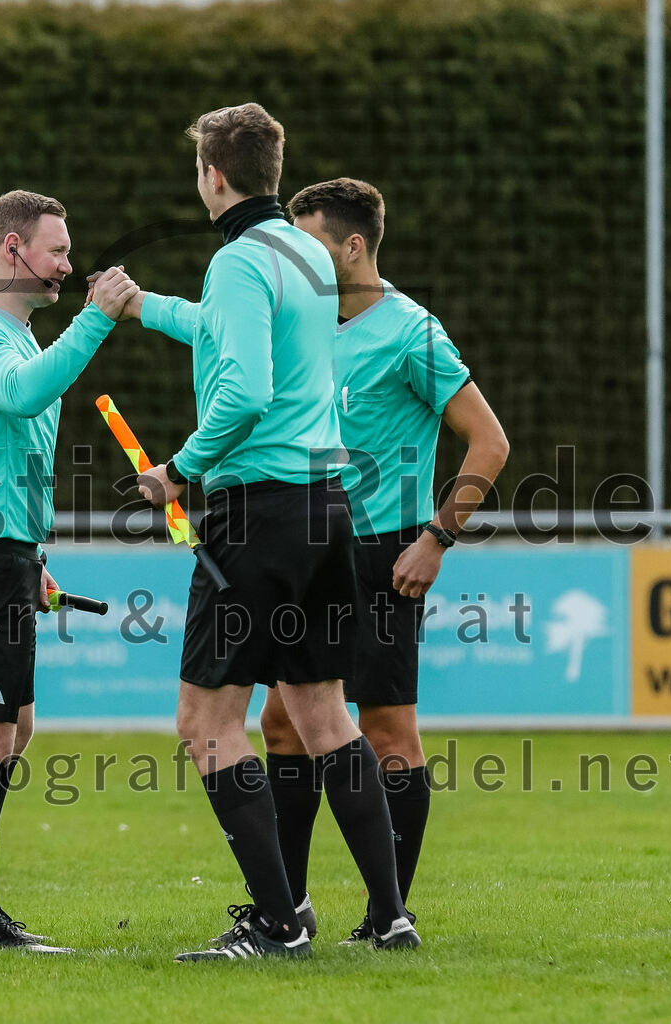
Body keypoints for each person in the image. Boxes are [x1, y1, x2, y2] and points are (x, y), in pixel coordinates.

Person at [129, 104, 419, 960]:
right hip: (326, 505)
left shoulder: (238, 259)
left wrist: (178, 468)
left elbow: (246, 389)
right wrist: (145, 307)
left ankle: (277, 921)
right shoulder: (305, 253)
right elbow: (234, 336)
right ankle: (390, 916)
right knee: (325, 715)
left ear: (212, 175)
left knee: (204, 720)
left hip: (257, 510)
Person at [254, 177, 509, 942]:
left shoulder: (411, 331)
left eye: (309, 244)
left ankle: (385, 915)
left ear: (352, 246)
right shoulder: (304, 326)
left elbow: (489, 443)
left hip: (379, 554)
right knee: (281, 725)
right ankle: (287, 907)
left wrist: (435, 539)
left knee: (387, 729)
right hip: (309, 548)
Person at [0, 189, 138, 951]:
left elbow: (19, 454)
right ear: (13, 248)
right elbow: (21, 397)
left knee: (15, 729)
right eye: (58, 250)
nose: (69, 266)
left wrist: (33, 557)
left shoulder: (16, 336)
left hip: (5, 558)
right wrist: (96, 319)